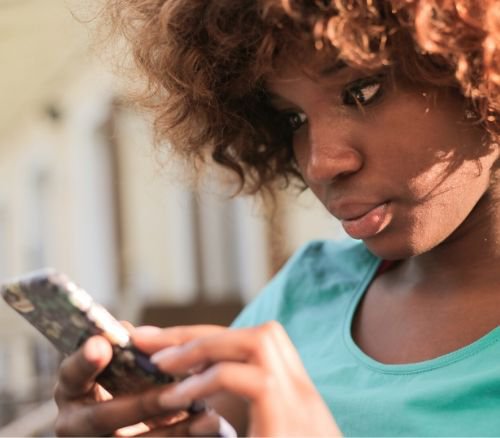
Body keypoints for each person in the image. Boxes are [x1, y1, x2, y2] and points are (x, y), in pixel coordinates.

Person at [54, 0, 500, 436]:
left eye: (363, 91)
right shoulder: (307, 290)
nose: (321, 163)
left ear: (481, 65)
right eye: (293, 119)